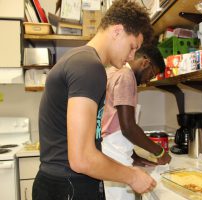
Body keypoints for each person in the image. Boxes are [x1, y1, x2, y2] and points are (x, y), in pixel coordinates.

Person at [32, 0, 156, 200]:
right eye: (132, 47)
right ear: (117, 31)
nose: (132, 56)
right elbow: (81, 158)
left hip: (60, 185)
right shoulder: (89, 67)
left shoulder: (80, 61)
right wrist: (132, 176)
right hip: (68, 187)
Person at [101, 45, 172, 200]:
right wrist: (159, 152)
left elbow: (114, 123)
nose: (148, 80)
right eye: (151, 74)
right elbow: (128, 128)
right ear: (145, 63)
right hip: (116, 155)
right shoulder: (126, 76)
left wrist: (134, 156)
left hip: (110, 151)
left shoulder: (113, 72)